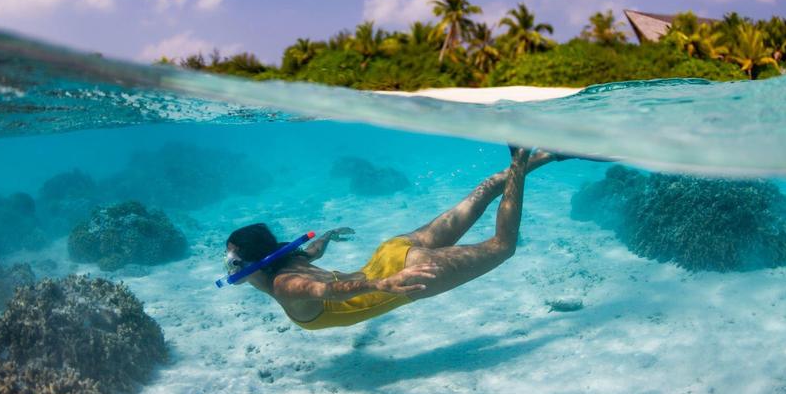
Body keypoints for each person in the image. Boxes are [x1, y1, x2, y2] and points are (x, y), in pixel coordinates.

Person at [225, 147, 556, 330]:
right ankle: (548, 155)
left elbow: (329, 290)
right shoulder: (290, 260)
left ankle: (520, 157)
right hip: (389, 254)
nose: (229, 266)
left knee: (503, 246)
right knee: (474, 202)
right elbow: (313, 252)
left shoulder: (283, 285)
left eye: (233, 260)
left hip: (403, 275)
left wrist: (382, 285)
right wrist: (327, 236)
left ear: (255, 260)